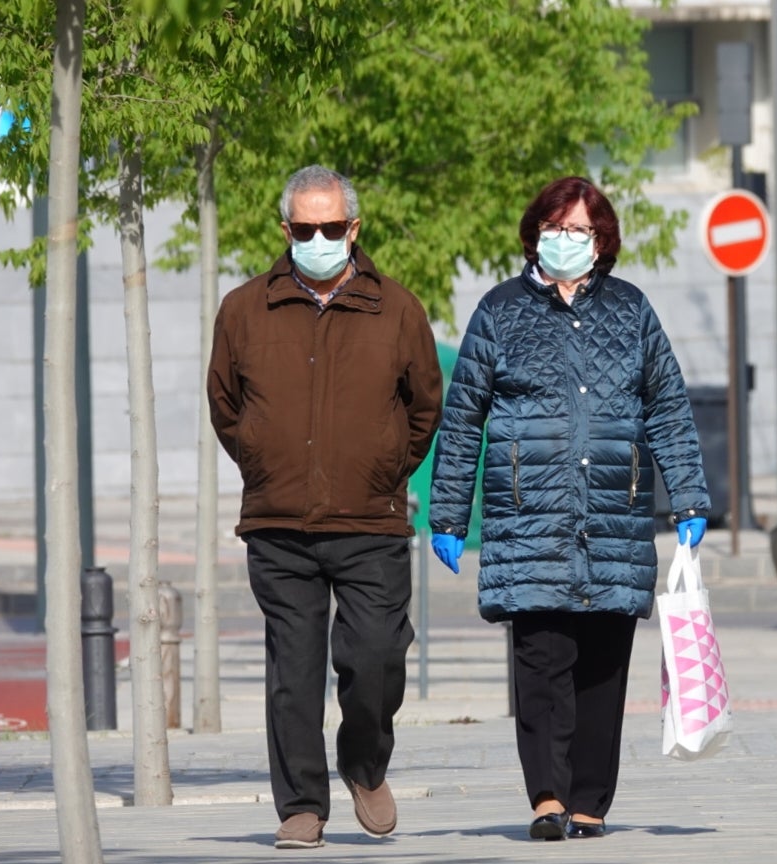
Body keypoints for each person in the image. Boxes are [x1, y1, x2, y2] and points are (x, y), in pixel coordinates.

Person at [427, 175, 709, 841]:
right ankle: (547, 798)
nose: (565, 242)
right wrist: (446, 514)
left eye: (578, 231)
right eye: (554, 230)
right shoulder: (499, 312)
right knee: (540, 664)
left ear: (601, 240)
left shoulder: (631, 311)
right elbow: (463, 419)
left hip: (613, 514)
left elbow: (667, 408)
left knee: (603, 670)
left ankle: (590, 802)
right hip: (530, 519)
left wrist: (690, 498)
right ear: (533, 236)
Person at [207, 164, 442, 849]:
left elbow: (425, 406)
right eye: (305, 228)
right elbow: (225, 405)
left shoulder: (397, 309)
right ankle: (301, 806)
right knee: (294, 673)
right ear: (285, 230)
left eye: (330, 227)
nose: (318, 238)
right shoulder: (244, 308)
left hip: (369, 521)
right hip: (278, 523)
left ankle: (365, 766)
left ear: (353, 228)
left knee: (374, 659)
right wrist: (257, 459)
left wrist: (385, 470)